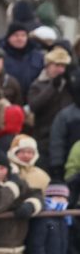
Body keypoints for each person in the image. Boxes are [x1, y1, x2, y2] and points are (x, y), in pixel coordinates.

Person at [26, 47, 73, 175]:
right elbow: (34, 106)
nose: (60, 69)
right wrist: (52, 86)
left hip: (66, 138)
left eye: (63, 66)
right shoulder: (38, 84)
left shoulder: (69, 86)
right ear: (48, 65)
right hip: (43, 138)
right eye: (57, 65)